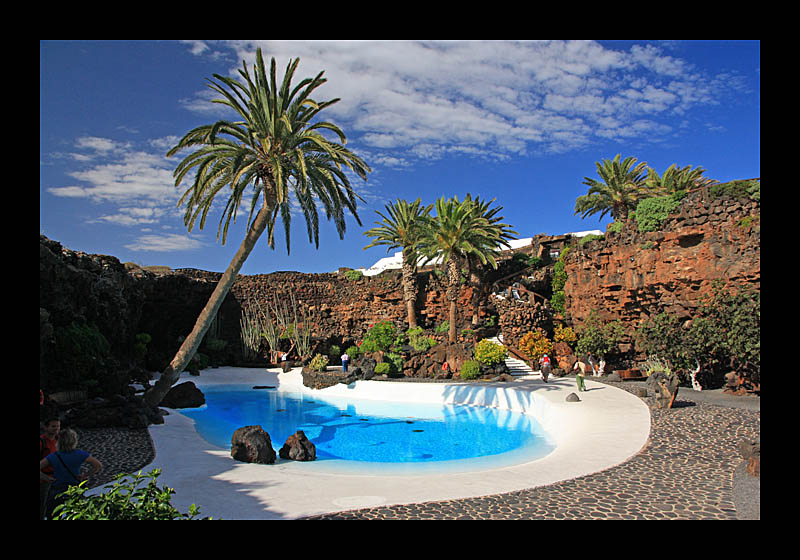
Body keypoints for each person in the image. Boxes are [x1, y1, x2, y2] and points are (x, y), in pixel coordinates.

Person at [40, 427, 102, 520]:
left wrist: (46, 477)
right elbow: (97, 465)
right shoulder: (80, 454)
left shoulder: (54, 456)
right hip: (75, 488)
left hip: (57, 488)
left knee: (53, 515)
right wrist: (85, 475)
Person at [39, 417, 60, 520]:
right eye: (53, 426)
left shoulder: (58, 440)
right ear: (45, 427)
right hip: (43, 480)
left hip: (55, 479)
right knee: (42, 506)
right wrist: (45, 477)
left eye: (58, 426)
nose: (56, 429)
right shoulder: (41, 442)